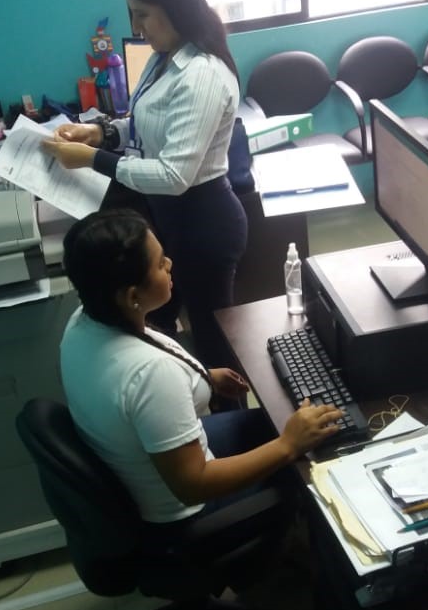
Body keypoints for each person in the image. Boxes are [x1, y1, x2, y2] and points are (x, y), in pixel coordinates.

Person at [59, 209, 342, 547]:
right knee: (309, 463)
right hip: (189, 514)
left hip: (147, 469)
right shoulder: (150, 374)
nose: (170, 264)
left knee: (271, 421)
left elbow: (131, 391)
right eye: (160, 264)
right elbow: (194, 485)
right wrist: (288, 445)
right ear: (132, 296)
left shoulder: (83, 322)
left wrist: (202, 377)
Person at [44, 0, 247, 373]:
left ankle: (227, 412)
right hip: (167, 217)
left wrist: (93, 158)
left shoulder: (202, 74)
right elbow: (146, 124)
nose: (136, 27)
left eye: (143, 15)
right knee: (158, 327)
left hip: (202, 223)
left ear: (176, 7)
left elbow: (174, 174)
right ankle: (182, 397)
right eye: (132, 14)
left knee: (213, 340)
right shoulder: (163, 59)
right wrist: (101, 132)